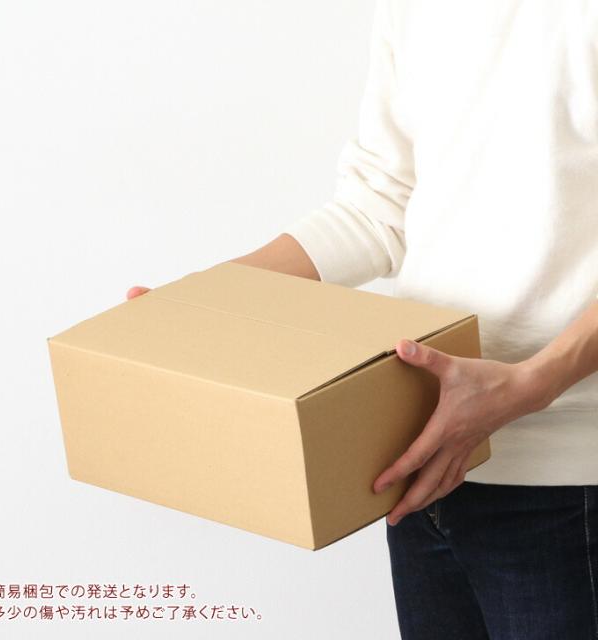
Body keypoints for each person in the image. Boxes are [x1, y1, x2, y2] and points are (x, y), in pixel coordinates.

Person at [126, 1, 598, 637]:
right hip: (419, 459)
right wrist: (205, 302)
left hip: (568, 487)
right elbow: (380, 201)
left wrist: (533, 384)